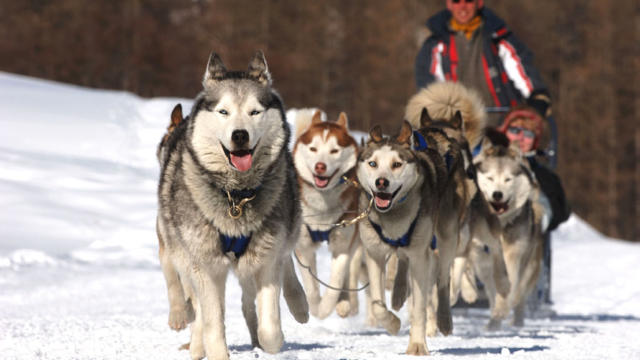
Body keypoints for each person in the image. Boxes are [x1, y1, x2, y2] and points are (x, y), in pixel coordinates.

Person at [415, 0, 552, 127]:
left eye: (469, 1)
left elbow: (521, 68)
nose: (463, 7)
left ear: (479, 2)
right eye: (456, 1)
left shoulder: (497, 36)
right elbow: (430, 87)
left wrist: (537, 96)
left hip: (503, 124)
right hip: (458, 127)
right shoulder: (434, 45)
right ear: (449, 4)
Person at [499, 106, 571, 233]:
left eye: (528, 134)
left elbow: (559, 211)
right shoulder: (484, 164)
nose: (520, 138)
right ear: (504, 132)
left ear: (535, 140)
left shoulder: (545, 177)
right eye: (515, 130)